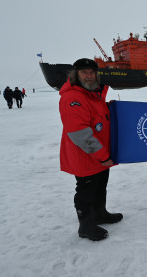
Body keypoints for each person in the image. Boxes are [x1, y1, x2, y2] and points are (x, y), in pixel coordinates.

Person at [59, 58, 122, 241]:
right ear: (75, 75)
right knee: (86, 192)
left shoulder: (94, 94)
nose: (89, 76)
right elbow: (80, 134)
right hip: (86, 156)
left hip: (100, 154)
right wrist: (103, 156)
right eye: (84, 72)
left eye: (92, 72)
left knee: (100, 186)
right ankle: (85, 226)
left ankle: (100, 214)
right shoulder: (73, 98)